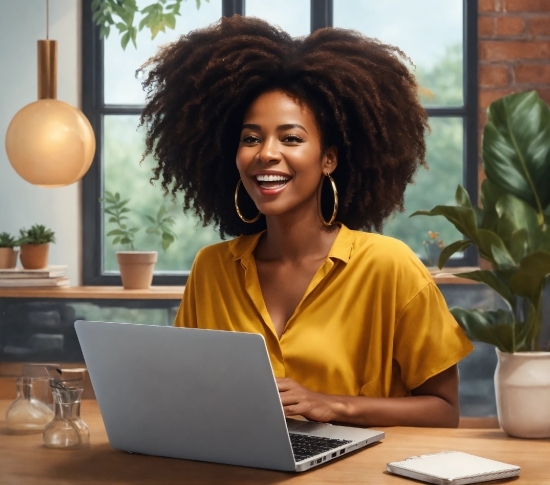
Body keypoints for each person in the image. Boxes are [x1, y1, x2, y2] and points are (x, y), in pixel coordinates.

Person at [140, 15, 473, 428]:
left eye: (291, 138)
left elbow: (444, 410)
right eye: (251, 138)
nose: (266, 153)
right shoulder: (212, 270)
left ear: (329, 158)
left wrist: (333, 405)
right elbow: (186, 395)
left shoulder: (390, 266)